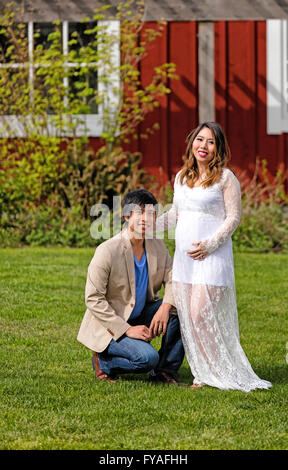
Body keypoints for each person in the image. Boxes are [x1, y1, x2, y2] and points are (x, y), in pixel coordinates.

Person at [155, 121, 272, 392]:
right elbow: (177, 214)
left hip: (212, 257)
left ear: (218, 148)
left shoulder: (225, 178)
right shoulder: (182, 177)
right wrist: (151, 225)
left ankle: (218, 371)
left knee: (199, 314)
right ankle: (203, 372)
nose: (203, 146)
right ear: (192, 143)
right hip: (186, 261)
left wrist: (210, 244)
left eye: (210, 142)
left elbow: (234, 217)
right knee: (189, 317)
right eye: (199, 140)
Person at [77, 189, 185, 385]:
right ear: (127, 216)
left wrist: (165, 307)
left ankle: (164, 372)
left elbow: (173, 278)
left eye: (151, 214)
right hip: (111, 325)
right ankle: (104, 362)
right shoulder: (108, 251)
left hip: (142, 312)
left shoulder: (157, 245)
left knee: (182, 309)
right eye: (140, 213)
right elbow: (93, 298)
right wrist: (126, 330)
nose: (146, 219)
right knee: (147, 359)